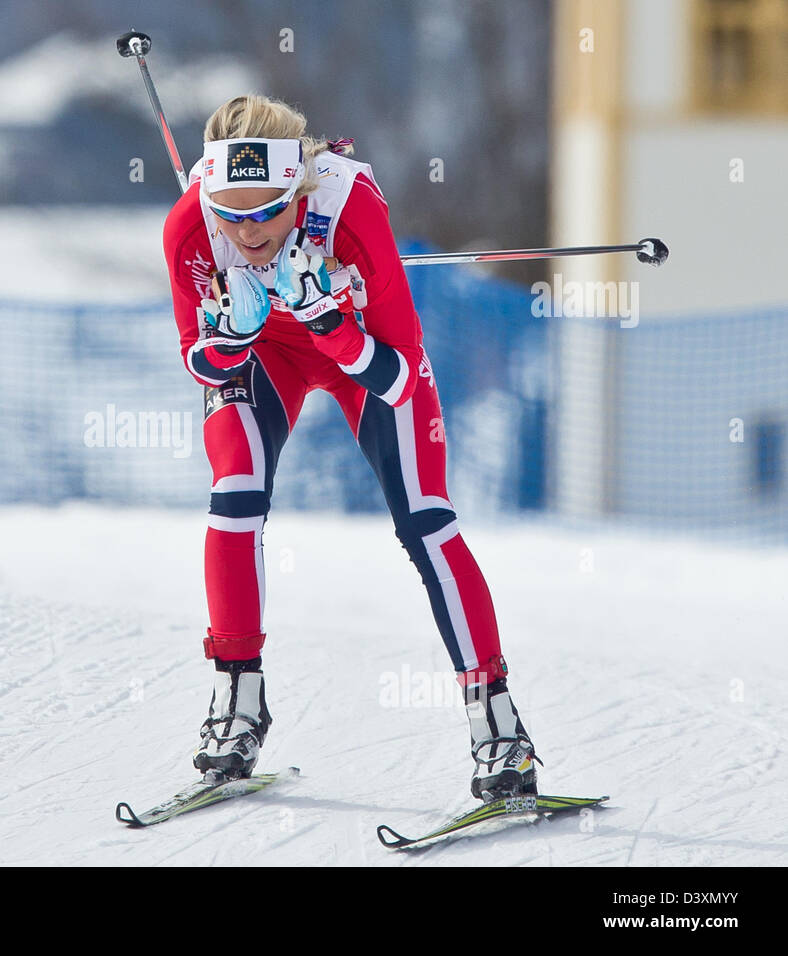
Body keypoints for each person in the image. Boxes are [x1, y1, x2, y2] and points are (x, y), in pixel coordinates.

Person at [161, 94, 539, 801]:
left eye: (266, 211)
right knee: (234, 494)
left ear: (297, 194)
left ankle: (498, 722)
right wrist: (233, 335)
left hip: (361, 354)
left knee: (426, 519)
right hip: (264, 353)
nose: (246, 231)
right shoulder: (190, 225)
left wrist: (330, 324)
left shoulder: (351, 208)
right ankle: (238, 702)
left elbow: (398, 379)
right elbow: (196, 360)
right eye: (230, 212)